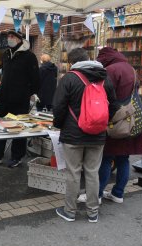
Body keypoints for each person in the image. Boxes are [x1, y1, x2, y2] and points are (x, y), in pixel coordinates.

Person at [53, 48, 117, 223]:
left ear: (72, 62)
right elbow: (114, 106)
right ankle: (93, 212)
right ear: (89, 59)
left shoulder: (69, 78)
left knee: (73, 173)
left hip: (73, 135)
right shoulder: (104, 78)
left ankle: (70, 211)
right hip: (98, 136)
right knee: (92, 173)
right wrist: (102, 123)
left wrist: (60, 125)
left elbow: (58, 107)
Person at [0, 29, 40, 168]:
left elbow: (36, 79)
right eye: (8, 36)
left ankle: (17, 157)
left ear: (19, 39)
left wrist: (27, 93)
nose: (9, 38)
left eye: (12, 36)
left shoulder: (29, 56)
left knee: (18, 128)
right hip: (3, 98)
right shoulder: (6, 54)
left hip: (20, 100)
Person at [97, 47, 142, 203]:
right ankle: (118, 193)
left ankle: (97, 194)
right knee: (124, 159)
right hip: (130, 120)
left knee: (106, 158)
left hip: (114, 120)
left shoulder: (110, 69)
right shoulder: (131, 69)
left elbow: (104, 95)